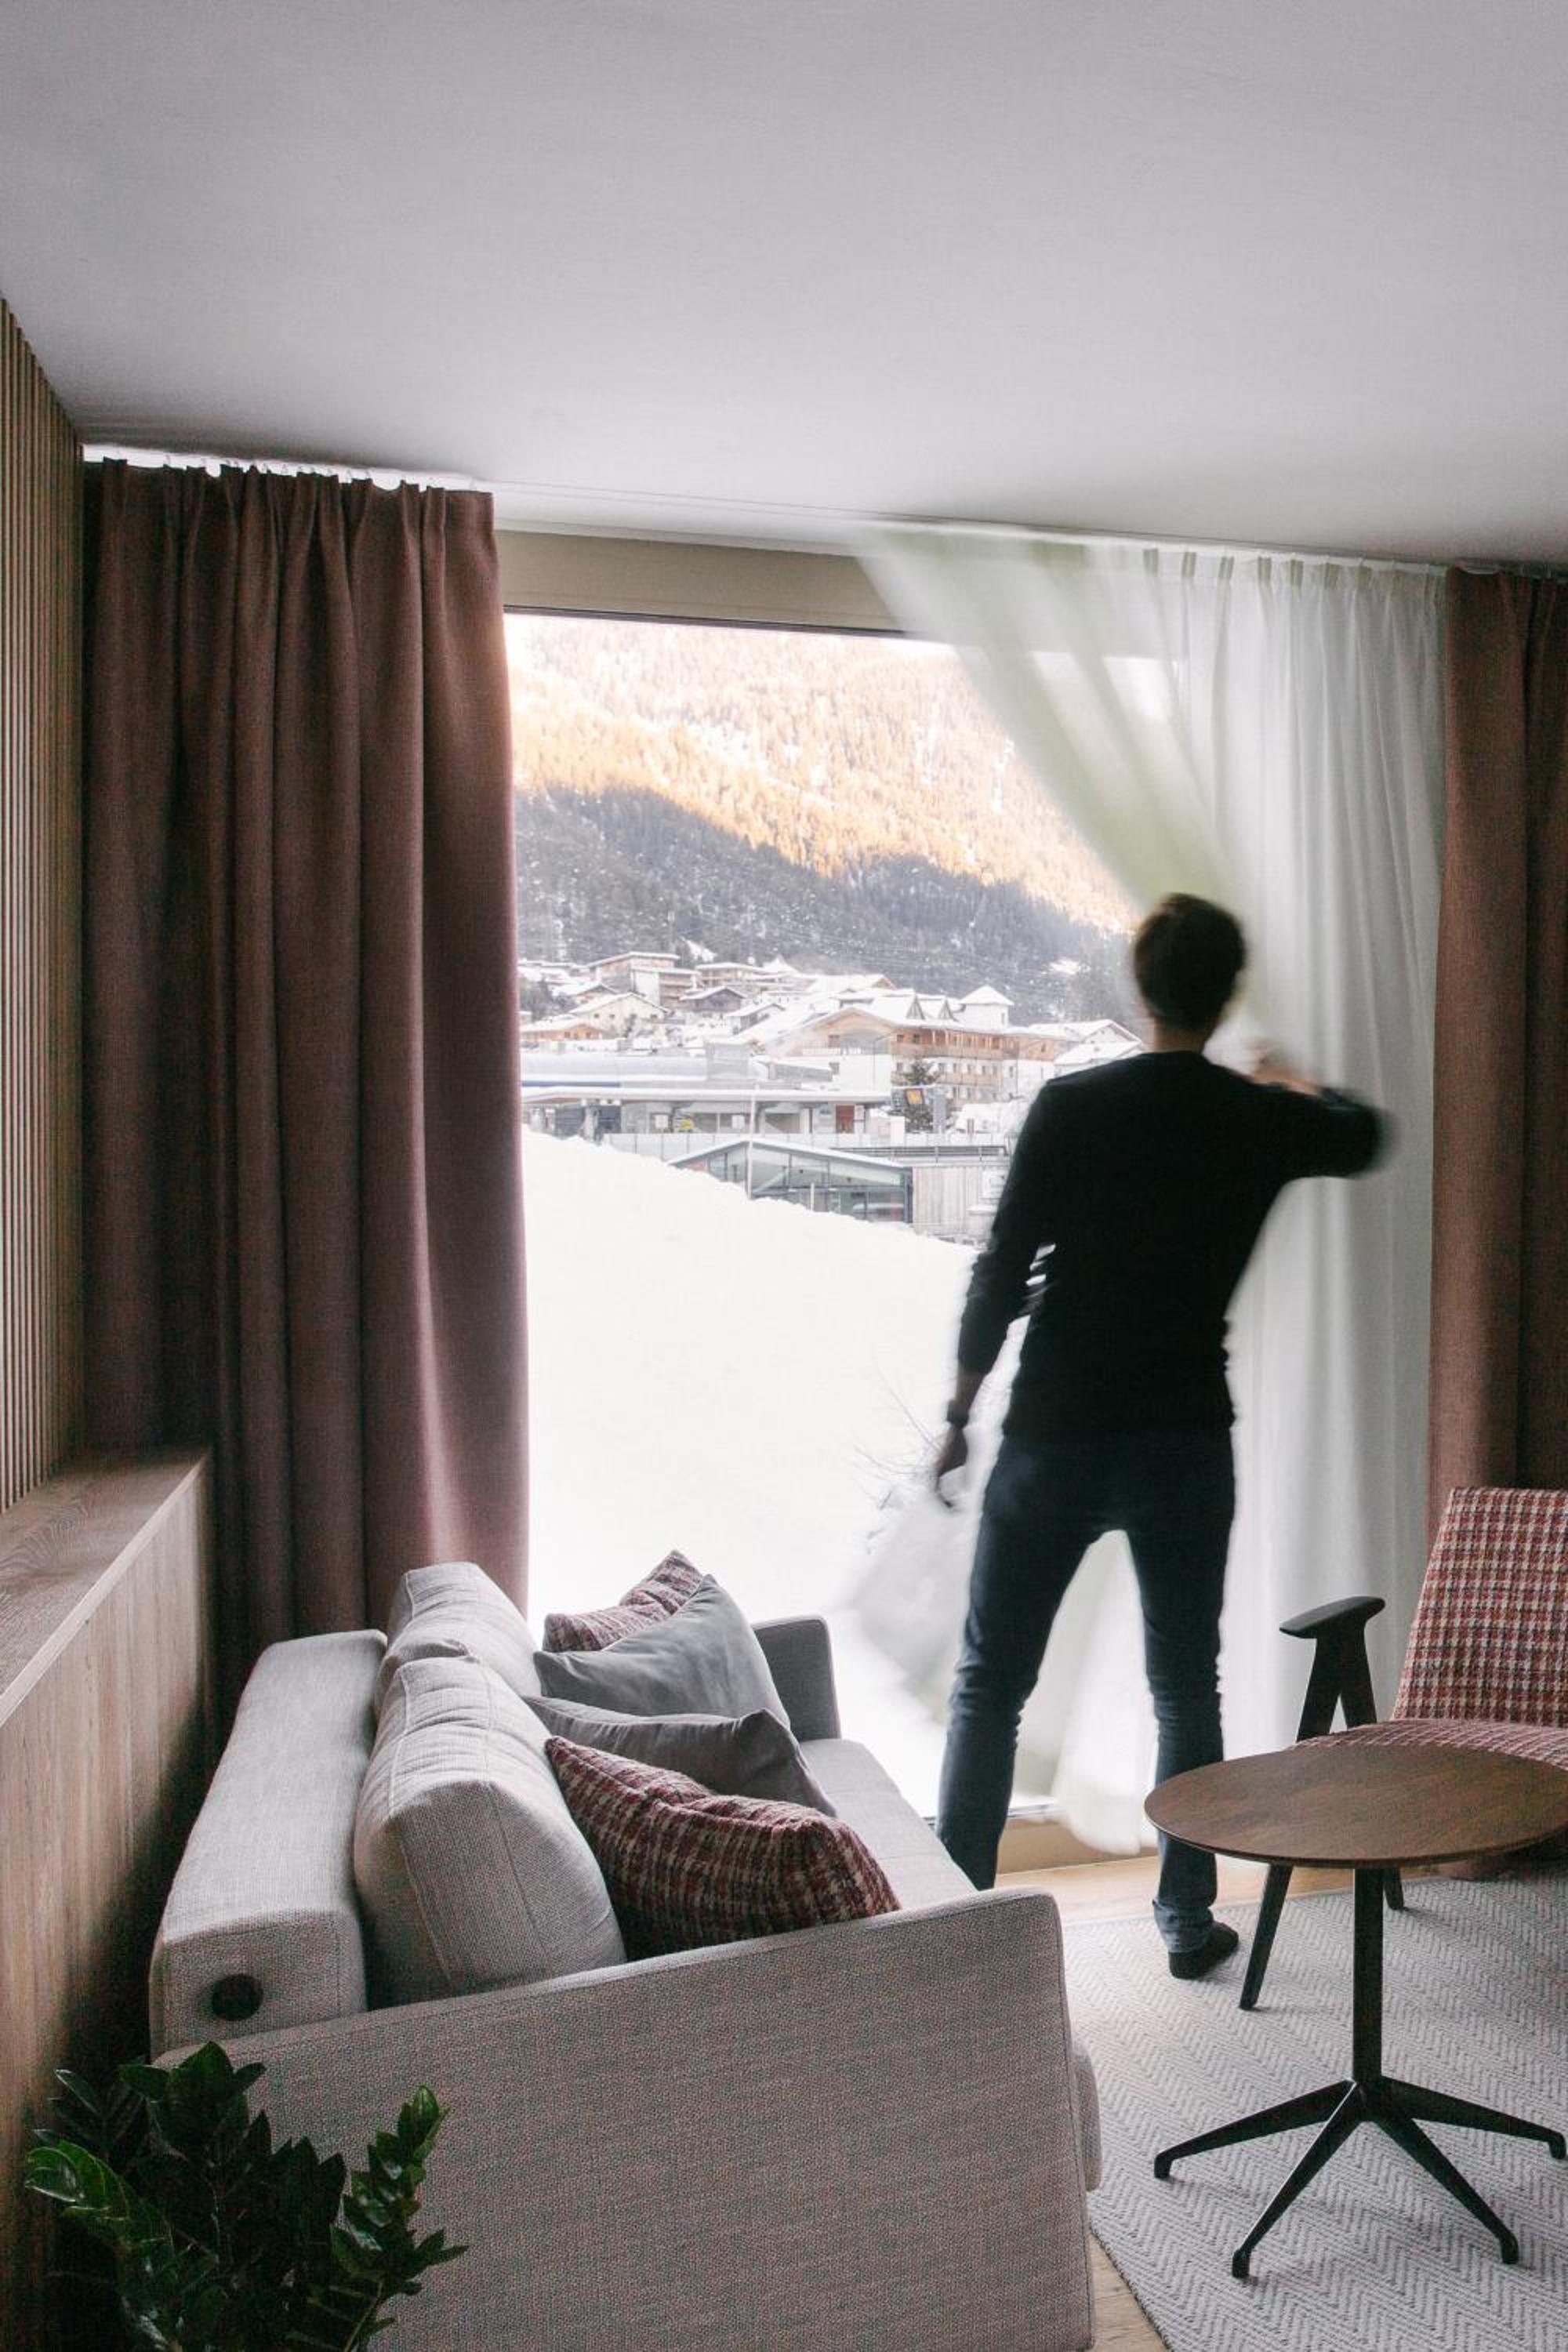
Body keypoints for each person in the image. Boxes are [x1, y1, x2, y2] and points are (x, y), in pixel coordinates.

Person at [931, 894, 1388, 1977]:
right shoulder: (1255, 1118)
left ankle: (952, 1937)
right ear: (1225, 995)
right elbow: (1366, 1135)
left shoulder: (1071, 1106)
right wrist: (1290, 1082)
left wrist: (957, 1414)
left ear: (1141, 989)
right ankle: (1186, 1920)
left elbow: (1000, 1270)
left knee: (991, 1686)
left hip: (1055, 1431)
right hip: (1183, 1439)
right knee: (1185, 1688)